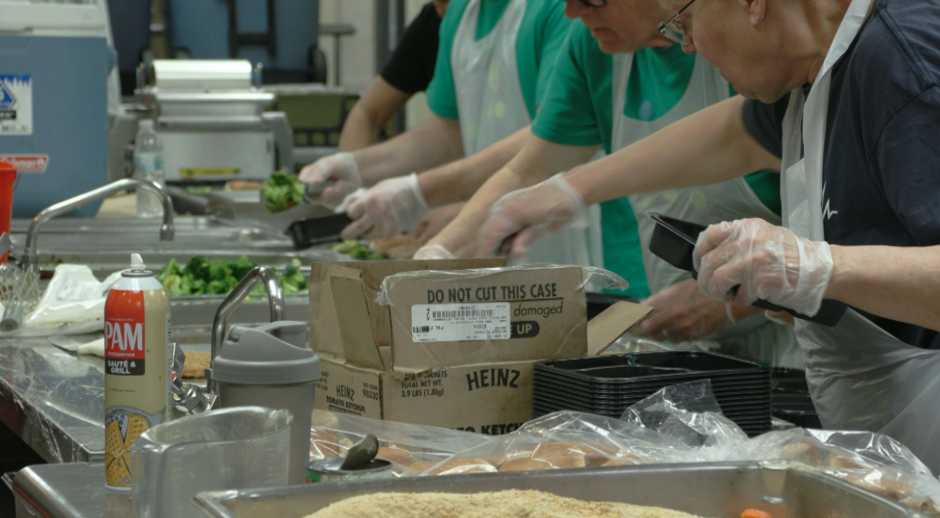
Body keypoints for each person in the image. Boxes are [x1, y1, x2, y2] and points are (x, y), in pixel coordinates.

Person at [470, 0, 940, 470]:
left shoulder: (902, 63)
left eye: (686, 21)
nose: (688, 45)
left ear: (754, 5)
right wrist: (571, 189)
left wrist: (812, 268)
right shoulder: (809, 80)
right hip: (895, 457)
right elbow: (731, 133)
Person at [410, 0, 798, 365]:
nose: (572, 12)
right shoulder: (593, 48)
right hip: (684, 340)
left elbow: (830, 226)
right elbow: (529, 169)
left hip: (793, 341)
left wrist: (733, 298)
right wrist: (437, 257)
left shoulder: (743, 45)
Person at [298, 0, 570, 213]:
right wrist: (355, 167)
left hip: (567, 229)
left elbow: (551, 139)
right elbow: (447, 135)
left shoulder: (561, 9)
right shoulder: (460, 12)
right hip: (500, 232)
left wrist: (420, 192)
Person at [338, 1, 449, 151]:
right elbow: (366, 114)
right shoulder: (431, 25)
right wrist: (348, 166)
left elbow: (451, 137)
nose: (444, 9)